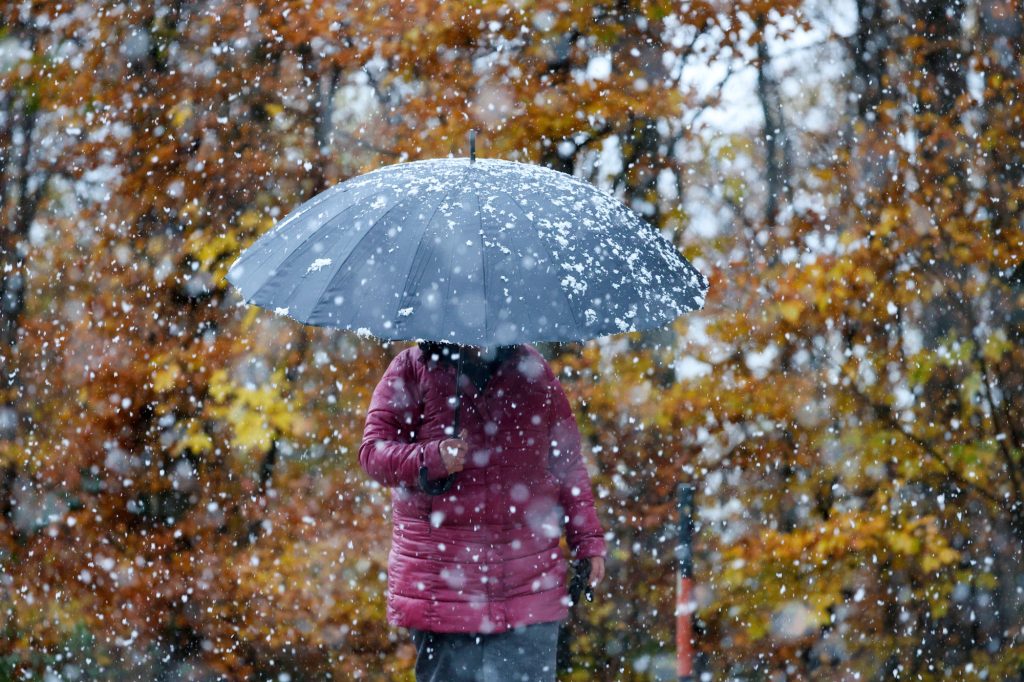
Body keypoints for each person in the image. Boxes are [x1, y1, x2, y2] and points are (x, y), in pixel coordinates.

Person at [359, 341, 606, 682]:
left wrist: (588, 540)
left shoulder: (533, 369)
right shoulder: (411, 368)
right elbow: (373, 453)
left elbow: (567, 462)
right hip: (443, 586)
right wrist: (431, 458)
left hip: (528, 583)